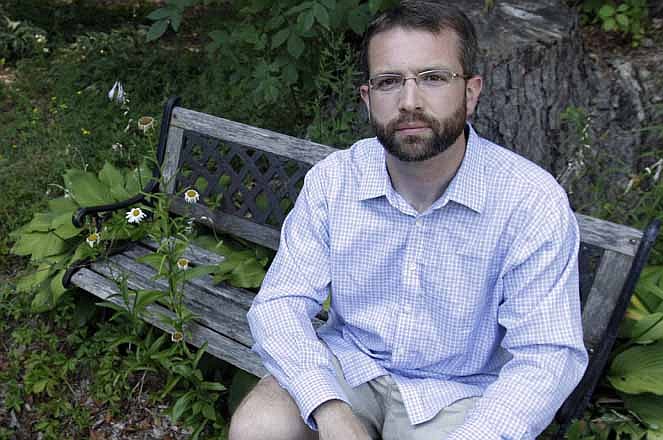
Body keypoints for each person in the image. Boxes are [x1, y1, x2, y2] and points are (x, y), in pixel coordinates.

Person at [229, 1, 588, 439]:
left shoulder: (529, 201)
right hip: (352, 367)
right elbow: (279, 305)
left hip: (459, 394)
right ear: (367, 98)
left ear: (471, 92)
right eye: (389, 81)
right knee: (260, 427)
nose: (409, 102)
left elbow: (546, 354)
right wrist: (328, 407)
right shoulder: (335, 180)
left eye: (433, 78)